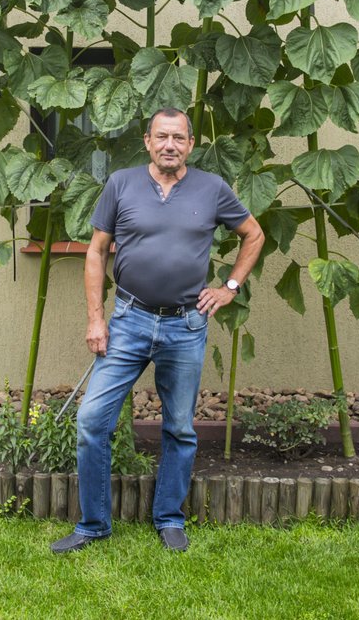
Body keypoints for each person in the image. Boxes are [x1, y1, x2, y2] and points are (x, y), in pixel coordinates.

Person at [51, 106, 265, 553]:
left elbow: (254, 234)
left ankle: (169, 517)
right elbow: (96, 253)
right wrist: (95, 317)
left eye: (179, 138)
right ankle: (93, 524)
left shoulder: (213, 188)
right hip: (129, 321)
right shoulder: (120, 184)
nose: (170, 145)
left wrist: (229, 287)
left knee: (181, 427)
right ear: (147, 141)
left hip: (186, 325)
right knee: (92, 420)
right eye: (162, 137)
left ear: (191, 144)